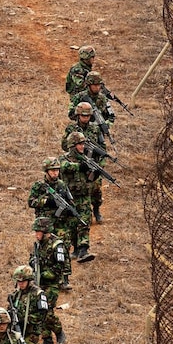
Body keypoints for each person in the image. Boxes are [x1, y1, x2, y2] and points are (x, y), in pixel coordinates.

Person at [28, 156, 78, 290]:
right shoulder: (39, 186)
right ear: (46, 171)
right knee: (45, 251)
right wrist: (46, 201)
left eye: (57, 170)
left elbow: (70, 201)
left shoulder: (62, 185)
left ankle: (65, 278)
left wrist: (70, 210)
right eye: (52, 170)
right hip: (44, 225)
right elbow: (31, 202)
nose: (55, 173)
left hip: (61, 223)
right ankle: (42, 278)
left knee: (63, 248)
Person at [61, 100, 107, 223]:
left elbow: (103, 148)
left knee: (96, 188)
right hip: (76, 162)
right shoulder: (71, 128)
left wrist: (100, 165)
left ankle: (96, 210)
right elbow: (64, 146)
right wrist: (77, 144)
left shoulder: (95, 129)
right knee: (77, 187)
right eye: (83, 115)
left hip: (92, 163)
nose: (85, 118)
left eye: (88, 116)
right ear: (78, 115)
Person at [30, 216, 68, 344]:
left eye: (38, 231)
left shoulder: (57, 245)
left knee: (47, 311)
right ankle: (47, 340)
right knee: (39, 310)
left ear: (45, 231)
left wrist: (44, 274)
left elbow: (60, 267)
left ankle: (59, 332)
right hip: (38, 283)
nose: (36, 234)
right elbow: (32, 260)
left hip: (52, 284)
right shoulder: (38, 245)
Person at [60, 131, 96, 262]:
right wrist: (81, 166)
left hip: (84, 196)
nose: (82, 147)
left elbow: (89, 178)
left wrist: (94, 173)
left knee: (84, 222)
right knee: (72, 225)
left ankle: (83, 250)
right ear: (73, 146)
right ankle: (75, 249)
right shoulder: (64, 159)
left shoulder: (86, 159)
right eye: (80, 144)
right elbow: (65, 167)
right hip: (70, 198)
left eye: (83, 144)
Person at [68, 72, 116, 143]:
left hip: (97, 133)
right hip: (80, 132)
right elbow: (70, 114)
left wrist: (106, 125)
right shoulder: (79, 97)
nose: (97, 87)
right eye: (95, 85)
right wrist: (82, 112)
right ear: (89, 85)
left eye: (99, 85)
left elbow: (111, 116)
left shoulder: (103, 99)